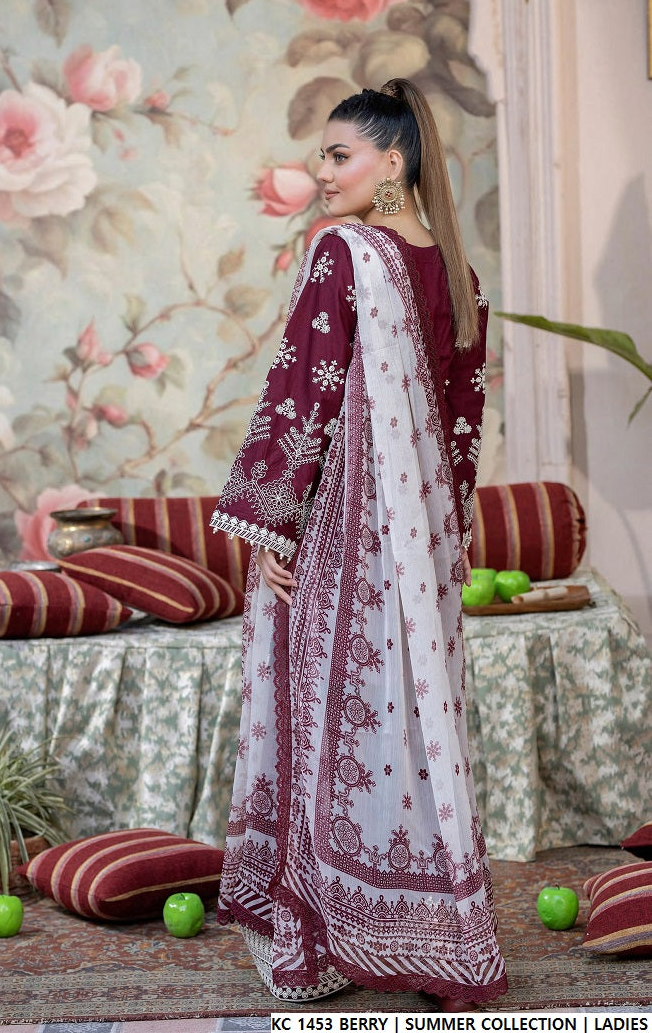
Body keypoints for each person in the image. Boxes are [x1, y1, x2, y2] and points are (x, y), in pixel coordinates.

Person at [209, 79, 508, 1011]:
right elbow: (461, 425)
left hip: (340, 529)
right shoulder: (460, 274)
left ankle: (319, 937)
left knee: (322, 719)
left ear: (393, 162)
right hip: (421, 543)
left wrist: (274, 520)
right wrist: (446, 536)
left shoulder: (343, 251)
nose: (322, 171)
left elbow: (306, 386)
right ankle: (427, 929)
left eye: (339, 155)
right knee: (407, 726)